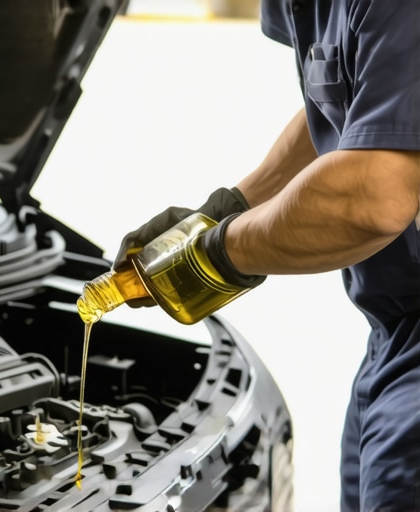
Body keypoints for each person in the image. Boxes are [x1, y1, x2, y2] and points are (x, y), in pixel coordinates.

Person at [113, 2, 420, 511]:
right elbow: (351, 100)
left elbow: (376, 195)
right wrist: (225, 209)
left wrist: (215, 253)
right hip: (391, 339)